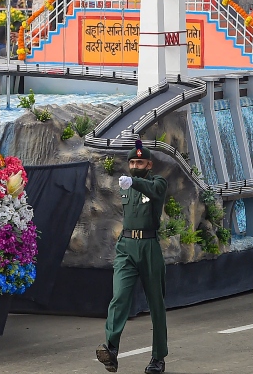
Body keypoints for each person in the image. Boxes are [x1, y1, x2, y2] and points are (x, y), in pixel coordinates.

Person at [97, 139, 168, 374]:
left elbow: (153, 190)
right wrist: (130, 183)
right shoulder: (125, 185)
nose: (135, 166)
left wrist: (134, 182)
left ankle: (158, 357)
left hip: (149, 247)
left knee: (156, 303)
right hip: (126, 246)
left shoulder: (158, 183)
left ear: (149, 165)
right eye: (132, 163)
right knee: (119, 296)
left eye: (140, 162)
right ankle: (111, 350)